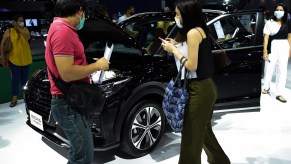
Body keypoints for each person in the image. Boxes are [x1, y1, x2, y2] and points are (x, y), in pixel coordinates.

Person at [161, 1, 231, 163]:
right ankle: (220, 161)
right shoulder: (198, 29)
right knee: (203, 131)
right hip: (203, 87)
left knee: (191, 135)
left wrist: (174, 51)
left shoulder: (193, 32)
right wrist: (176, 45)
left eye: (178, 14)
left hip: (200, 89)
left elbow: (192, 65)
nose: (176, 17)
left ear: (188, 14)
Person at [45, 0, 109, 163]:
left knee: (78, 152)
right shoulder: (63, 32)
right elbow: (66, 73)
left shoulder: (60, 28)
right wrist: (97, 66)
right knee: (84, 156)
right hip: (68, 104)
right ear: (80, 11)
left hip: (71, 101)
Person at [0, 14, 32, 107]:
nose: (21, 22)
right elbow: (2, 44)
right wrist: (2, 56)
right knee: (15, 79)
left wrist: (18, 28)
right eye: (19, 21)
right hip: (14, 60)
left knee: (25, 80)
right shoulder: (9, 31)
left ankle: (25, 96)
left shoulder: (25, 30)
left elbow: (27, 37)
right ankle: (14, 98)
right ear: (14, 21)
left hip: (26, 59)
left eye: (22, 21)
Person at [262, 3, 291, 103]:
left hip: (284, 46)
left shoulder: (288, 22)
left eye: (281, 10)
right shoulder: (269, 22)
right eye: (277, 9)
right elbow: (266, 37)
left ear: (284, 11)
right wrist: (265, 51)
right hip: (272, 45)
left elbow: (290, 37)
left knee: (282, 70)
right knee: (269, 67)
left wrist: (290, 50)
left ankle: (280, 93)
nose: (279, 11)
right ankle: (266, 87)